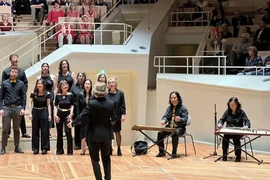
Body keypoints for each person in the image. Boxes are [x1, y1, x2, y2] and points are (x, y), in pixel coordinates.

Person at [68, 82, 117, 180]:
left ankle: (98, 179)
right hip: (106, 135)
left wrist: (72, 124)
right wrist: (109, 125)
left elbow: (82, 116)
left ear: (95, 91)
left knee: (95, 159)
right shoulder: (110, 104)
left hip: (93, 135)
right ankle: (108, 178)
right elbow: (114, 118)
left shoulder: (91, 104)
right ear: (105, 91)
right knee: (106, 158)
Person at [2, 53, 31, 138]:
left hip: (19, 96)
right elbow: (3, 84)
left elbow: (25, 83)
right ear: (10, 60)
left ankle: (24, 132)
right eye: (14, 58)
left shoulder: (22, 71)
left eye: (17, 58)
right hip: (9, 97)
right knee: (8, 117)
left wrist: (23, 91)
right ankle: (7, 133)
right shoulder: (5, 72)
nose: (16, 59)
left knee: (21, 114)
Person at [0, 66, 26, 155]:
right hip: (6, 108)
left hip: (17, 108)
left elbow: (24, 97)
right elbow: (0, 97)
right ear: (9, 73)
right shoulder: (4, 83)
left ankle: (17, 147)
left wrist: (23, 108)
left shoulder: (21, 84)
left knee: (16, 129)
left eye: (15, 72)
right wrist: (1, 108)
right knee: (5, 129)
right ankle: (3, 147)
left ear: (17, 74)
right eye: (12, 72)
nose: (14, 73)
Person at [156, 91, 189, 158]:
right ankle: (161, 151)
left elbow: (185, 120)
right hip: (169, 127)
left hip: (179, 128)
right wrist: (163, 121)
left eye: (174, 98)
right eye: (171, 98)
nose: (173, 100)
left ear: (178, 98)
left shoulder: (183, 108)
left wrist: (180, 119)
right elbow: (166, 116)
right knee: (160, 133)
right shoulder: (169, 108)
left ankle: (174, 153)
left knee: (174, 134)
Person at [217, 97, 250, 162]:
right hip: (229, 130)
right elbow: (222, 119)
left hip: (238, 131)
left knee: (236, 139)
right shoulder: (227, 112)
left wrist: (246, 126)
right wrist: (220, 124)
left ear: (237, 105)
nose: (231, 106)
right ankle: (224, 155)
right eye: (230, 105)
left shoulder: (241, 112)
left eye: (233, 105)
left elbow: (247, 121)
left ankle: (238, 156)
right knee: (225, 138)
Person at [29, 79, 51, 155]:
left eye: (41, 83)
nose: (39, 85)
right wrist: (30, 113)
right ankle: (35, 148)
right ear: (36, 85)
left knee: (44, 131)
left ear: (43, 85)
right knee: (35, 131)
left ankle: (44, 148)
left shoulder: (47, 93)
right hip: (35, 112)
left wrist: (49, 114)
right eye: (38, 83)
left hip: (44, 112)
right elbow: (30, 103)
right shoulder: (33, 93)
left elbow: (48, 105)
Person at [106, 76, 126, 156]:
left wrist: (123, 114)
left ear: (115, 84)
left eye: (113, 82)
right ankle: (109, 148)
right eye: (110, 82)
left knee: (117, 132)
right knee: (109, 133)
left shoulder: (120, 93)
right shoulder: (106, 94)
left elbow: (122, 105)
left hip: (117, 116)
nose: (111, 84)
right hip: (107, 117)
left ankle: (118, 148)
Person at [54, 80, 75, 155]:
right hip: (59, 114)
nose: (65, 86)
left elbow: (72, 105)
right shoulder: (58, 95)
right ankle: (60, 150)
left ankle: (70, 151)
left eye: (66, 84)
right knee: (59, 132)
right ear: (60, 87)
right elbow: (56, 106)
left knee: (68, 132)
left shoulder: (71, 95)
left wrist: (71, 114)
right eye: (63, 85)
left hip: (68, 114)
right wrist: (55, 115)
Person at [70, 71, 86, 150]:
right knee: (77, 126)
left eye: (82, 76)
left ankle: (86, 144)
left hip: (86, 109)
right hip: (76, 109)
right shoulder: (73, 87)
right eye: (79, 76)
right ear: (77, 78)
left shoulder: (86, 85)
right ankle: (77, 144)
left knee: (86, 126)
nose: (81, 77)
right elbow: (71, 98)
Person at [76, 79, 92, 155]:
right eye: (86, 84)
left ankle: (91, 149)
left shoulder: (93, 95)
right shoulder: (80, 94)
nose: (87, 85)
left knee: (91, 134)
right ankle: (83, 150)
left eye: (88, 84)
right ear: (84, 85)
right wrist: (79, 117)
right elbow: (78, 107)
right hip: (83, 117)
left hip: (91, 118)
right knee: (83, 134)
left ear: (91, 85)